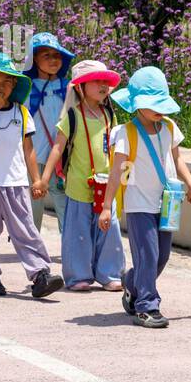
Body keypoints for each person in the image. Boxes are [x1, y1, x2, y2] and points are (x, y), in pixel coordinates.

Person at [99, 67, 191, 328]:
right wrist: (106, 207)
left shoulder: (169, 127)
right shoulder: (126, 133)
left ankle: (132, 283)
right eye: (152, 103)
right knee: (148, 255)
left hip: (168, 203)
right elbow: (117, 174)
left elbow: (177, 160)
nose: (159, 110)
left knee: (161, 257)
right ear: (136, 104)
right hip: (139, 205)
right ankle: (147, 305)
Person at [0, 52, 65, 299]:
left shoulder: (21, 112)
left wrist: (37, 179)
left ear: (14, 85)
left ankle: (40, 274)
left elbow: (28, 149)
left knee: (25, 228)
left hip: (16, 182)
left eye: (7, 81)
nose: (1, 86)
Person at [36, 59, 126, 291]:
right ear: (80, 88)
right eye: (95, 81)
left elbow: (116, 149)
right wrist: (44, 179)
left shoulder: (109, 115)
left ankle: (109, 273)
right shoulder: (72, 116)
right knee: (77, 232)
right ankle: (78, 275)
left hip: (106, 185)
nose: (103, 86)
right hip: (78, 185)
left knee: (109, 229)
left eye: (105, 81)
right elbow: (58, 147)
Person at [21, 33, 74, 235]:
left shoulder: (69, 88)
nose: (53, 60)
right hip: (33, 158)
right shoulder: (25, 89)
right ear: (34, 59)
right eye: (46, 55)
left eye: (57, 55)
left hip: (62, 160)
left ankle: (70, 249)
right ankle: (31, 248)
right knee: (33, 206)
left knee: (65, 206)